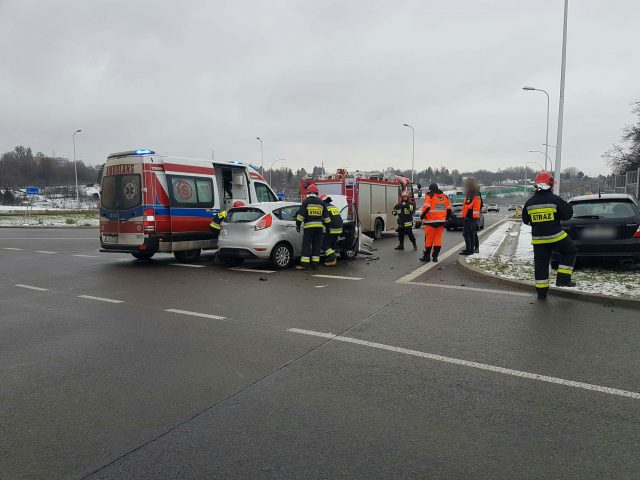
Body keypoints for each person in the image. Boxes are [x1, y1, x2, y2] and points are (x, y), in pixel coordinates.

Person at [522, 171, 577, 300]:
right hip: (556, 236)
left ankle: (541, 293)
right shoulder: (555, 199)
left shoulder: (529, 202)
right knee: (570, 251)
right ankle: (563, 279)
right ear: (550, 184)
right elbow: (567, 214)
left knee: (541, 265)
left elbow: (525, 220)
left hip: (538, 240)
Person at [296, 184, 330, 270]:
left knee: (306, 245)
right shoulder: (321, 203)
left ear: (308, 192)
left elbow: (301, 215)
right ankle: (315, 264)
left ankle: (304, 264)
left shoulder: (306, 202)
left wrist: (298, 224)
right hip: (319, 228)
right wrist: (328, 228)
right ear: (316, 193)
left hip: (309, 227)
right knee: (316, 245)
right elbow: (327, 218)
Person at [419, 183, 452, 262]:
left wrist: (422, 216)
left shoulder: (430, 196)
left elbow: (426, 207)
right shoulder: (445, 197)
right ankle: (435, 257)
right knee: (438, 239)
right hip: (441, 222)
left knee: (428, 240)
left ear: (430, 189)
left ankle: (426, 257)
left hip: (431, 222)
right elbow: (449, 209)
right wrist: (446, 218)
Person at [320, 194, 343, 266]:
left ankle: (332, 257)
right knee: (332, 244)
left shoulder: (324, 207)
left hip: (332, 229)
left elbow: (325, 219)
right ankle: (331, 259)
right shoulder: (334, 207)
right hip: (339, 229)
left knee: (324, 245)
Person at [459, 178, 481, 255]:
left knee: (466, 233)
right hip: (470, 217)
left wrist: (466, 215)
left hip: (470, 217)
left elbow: (469, 206)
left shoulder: (473, 195)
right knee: (471, 233)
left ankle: (469, 249)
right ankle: (470, 249)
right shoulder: (472, 194)